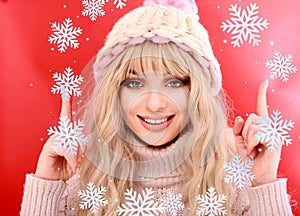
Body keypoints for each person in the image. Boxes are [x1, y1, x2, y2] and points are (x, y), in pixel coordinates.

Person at [20, 0, 293, 215]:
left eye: (174, 83)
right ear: (115, 93)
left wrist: (263, 184)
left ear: (197, 93)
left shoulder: (233, 185)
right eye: (135, 83)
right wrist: (47, 185)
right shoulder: (86, 184)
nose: (154, 104)